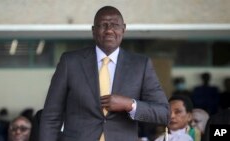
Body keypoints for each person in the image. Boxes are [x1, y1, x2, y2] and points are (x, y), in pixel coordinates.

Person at [39, 6, 170, 141]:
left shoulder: (140, 65)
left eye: (114, 25)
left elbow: (164, 113)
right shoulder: (70, 62)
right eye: (103, 25)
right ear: (93, 31)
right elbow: (51, 116)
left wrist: (129, 104)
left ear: (123, 29)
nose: (109, 30)